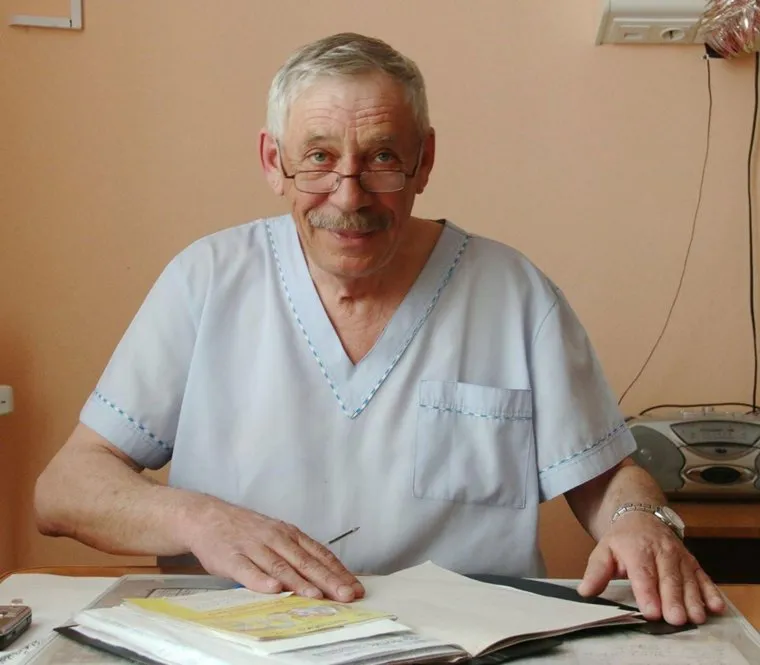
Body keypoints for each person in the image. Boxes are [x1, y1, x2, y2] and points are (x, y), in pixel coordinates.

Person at [34, 32, 724, 627]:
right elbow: (64, 489)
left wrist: (642, 522)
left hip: (461, 643)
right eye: (319, 157)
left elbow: (606, 480)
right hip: (240, 639)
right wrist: (199, 520)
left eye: (383, 158)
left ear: (424, 160)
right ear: (273, 162)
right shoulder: (205, 280)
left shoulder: (515, 294)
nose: (349, 193)